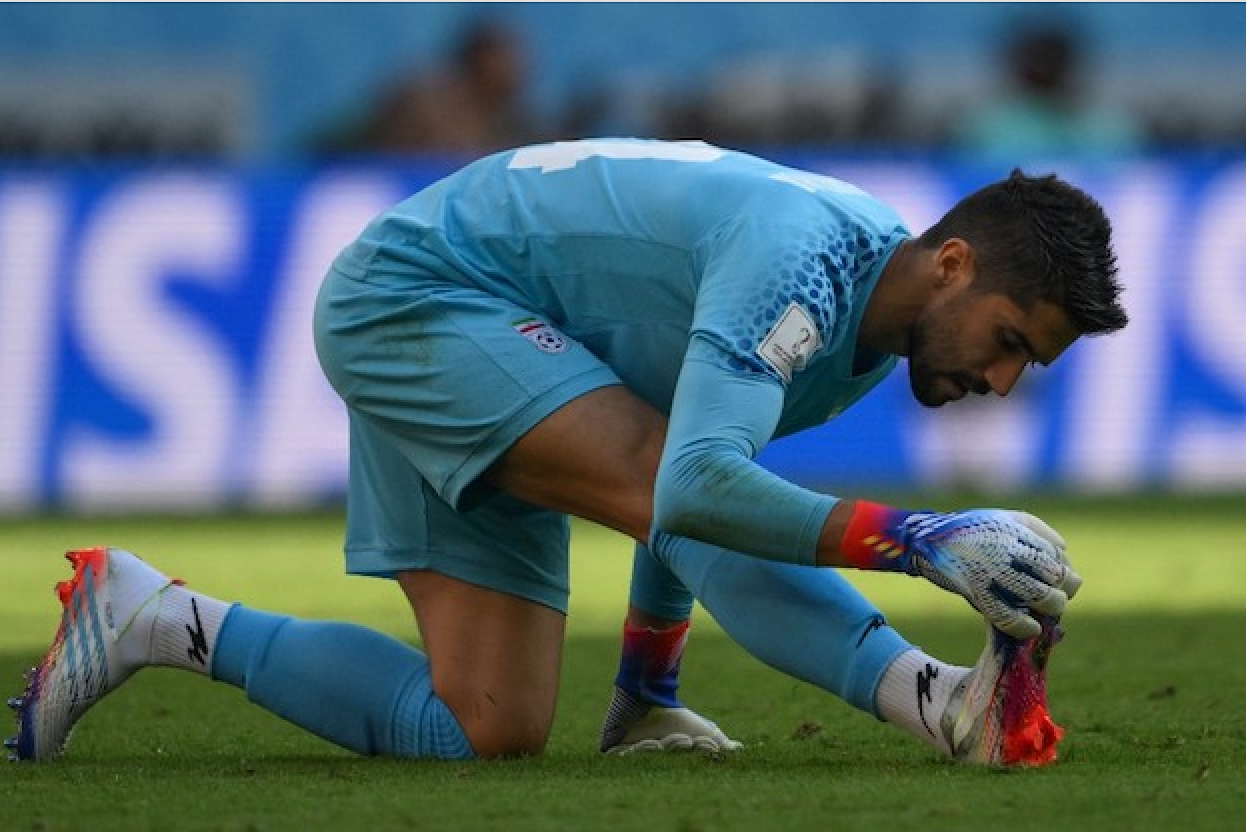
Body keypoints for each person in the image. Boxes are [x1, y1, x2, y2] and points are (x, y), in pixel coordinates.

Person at [8, 138, 1126, 767]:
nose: (998, 383)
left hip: (500, 334)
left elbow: (699, 490)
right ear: (953, 265)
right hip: (422, 299)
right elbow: (686, 489)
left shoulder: (865, 341)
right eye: (1006, 342)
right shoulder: (805, 267)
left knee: (482, 726)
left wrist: (646, 688)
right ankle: (934, 701)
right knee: (671, 480)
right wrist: (915, 538)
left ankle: (152, 616)